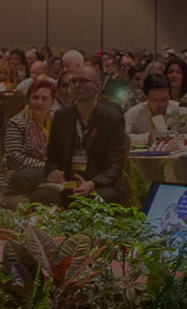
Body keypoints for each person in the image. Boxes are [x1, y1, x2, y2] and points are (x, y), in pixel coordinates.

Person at [40, 65, 129, 205]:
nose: (76, 85)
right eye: (73, 81)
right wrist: (53, 172)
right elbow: (52, 157)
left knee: (87, 200)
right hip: (68, 183)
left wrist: (91, 184)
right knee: (42, 196)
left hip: (100, 185)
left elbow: (114, 166)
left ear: (98, 86)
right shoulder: (61, 116)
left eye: (82, 81)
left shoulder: (112, 118)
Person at [2, 78, 56, 197]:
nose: (39, 103)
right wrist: (47, 166)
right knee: (37, 174)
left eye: (44, 99)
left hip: (51, 170)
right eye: (35, 98)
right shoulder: (17, 122)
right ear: (28, 100)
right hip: (19, 173)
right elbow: (14, 158)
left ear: (52, 102)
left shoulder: (58, 120)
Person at [125, 73, 187, 139]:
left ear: (169, 95)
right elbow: (123, 137)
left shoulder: (180, 110)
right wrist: (147, 137)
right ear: (145, 97)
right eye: (155, 100)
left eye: (164, 99)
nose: (160, 104)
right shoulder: (134, 113)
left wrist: (179, 138)